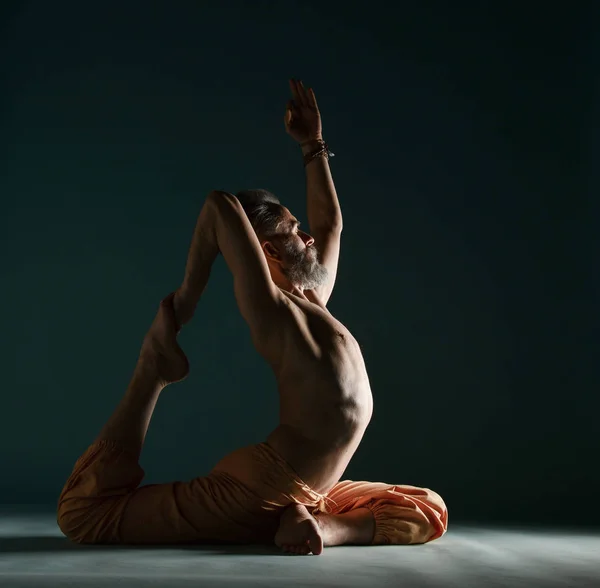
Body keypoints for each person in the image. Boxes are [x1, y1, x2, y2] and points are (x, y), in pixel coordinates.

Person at [57, 79, 448, 555]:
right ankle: (152, 366)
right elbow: (219, 205)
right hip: (258, 488)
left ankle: (318, 527)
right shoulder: (273, 309)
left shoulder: (313, 299)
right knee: (84, 515)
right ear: (267, 250)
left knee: (426, 508)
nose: (307, 236)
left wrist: (312, 146)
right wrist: (187, 298)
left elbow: (331, 224)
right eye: (291, 229)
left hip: (305, 489)